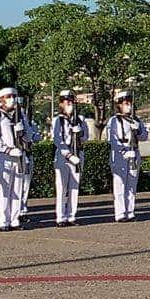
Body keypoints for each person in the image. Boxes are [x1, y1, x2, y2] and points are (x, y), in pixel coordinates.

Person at [0, 87, 30, 231]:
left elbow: (29, 137)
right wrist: (7, 149)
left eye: (13, 96)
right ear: (1, 99)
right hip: (3, 157)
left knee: (17, 189)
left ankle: (14, 219)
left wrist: (23, 131)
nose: (12, 99)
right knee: (3, 190)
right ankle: (3, 221)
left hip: (19, 155)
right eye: (8, 96)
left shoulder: (21, 116)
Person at [107, 90, 149, 222]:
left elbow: (144, 137)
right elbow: (112, 140)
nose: (129, 106)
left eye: (130, 103)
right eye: (126, 103)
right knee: (120, 184)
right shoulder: (114, 120)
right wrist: (124, 152)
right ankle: (120, 213)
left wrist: (138, 129)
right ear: (119, 105)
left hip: (134, 152)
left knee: (131, 185)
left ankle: (130, 212)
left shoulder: (136, 120)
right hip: (120, 154)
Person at [49, 90, 88, 227]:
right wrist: (69, 155)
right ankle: (61, 217)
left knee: (74, 187)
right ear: (61, 103)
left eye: (71, 100)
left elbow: (85, 137)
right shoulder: (58, 120)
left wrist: (80, 132)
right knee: (62, 187)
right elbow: (57, 141)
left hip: (78, 154)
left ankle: (71, 216)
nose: (69, 103)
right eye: (66, 100)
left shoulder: (80, 119)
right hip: (64, 156)